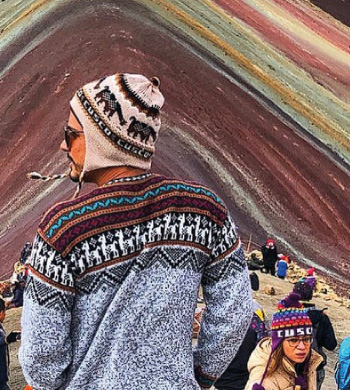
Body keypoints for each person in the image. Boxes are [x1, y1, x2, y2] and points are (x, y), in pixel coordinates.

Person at [20, 74, 252, 389]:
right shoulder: (205, 209)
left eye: (71, 133)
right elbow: (235, 312)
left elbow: (41, 358)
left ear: (103, 139)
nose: (63, 144)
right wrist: (192, 376)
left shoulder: (64, 227)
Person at [247, 291, 324, 390]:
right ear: (279, 342)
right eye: (293, 340)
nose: (302, 346)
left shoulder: (307, 366)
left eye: (306, 339)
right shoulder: (265, 382)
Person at [294, 281, 337, 389]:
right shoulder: (322, 318)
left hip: (291, 367)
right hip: (314, 367)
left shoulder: (287, 315)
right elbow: (331, 345)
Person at [217, 301, 268, 390]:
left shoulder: (218, 309)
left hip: (224, 378)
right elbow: (264, 342)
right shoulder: (255, 312)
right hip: (243, 377)